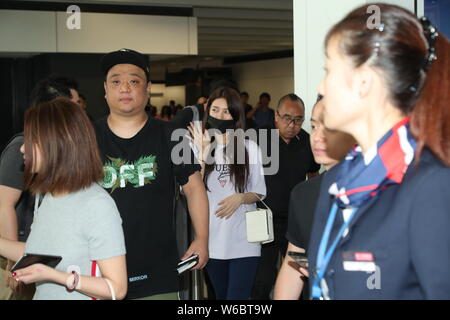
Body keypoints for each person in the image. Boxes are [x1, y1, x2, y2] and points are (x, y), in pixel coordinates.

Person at [308, 4, 450, 299]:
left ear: (364, 82)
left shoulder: (431, 186)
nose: (321, 86)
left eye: (329, 70)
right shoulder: (337, 184)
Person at [95, 48, 209, 300]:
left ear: (147, 89)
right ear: (105, 90)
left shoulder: (172, 136)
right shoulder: (86, 138)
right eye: (116, 81)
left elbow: (194, 187)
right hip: (96, 272)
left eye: (134, 81)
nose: (125, 88)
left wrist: (202, 239)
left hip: (157, 272)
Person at [0, 98, 127, 300]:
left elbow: (116, 289)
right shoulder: (47, 195)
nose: (23, 149)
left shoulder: (96, 204)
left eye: (31, 140)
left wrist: (54, 275)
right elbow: (36, 250)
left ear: (56, 144)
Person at [187, 87, 266, 300]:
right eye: (215, 110)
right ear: (207, 111)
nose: (220, 116)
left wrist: (240, 198)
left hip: (245, 241)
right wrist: (203, 151)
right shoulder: (195, 147)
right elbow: (190, 190)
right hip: (211, 241)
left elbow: (259, 192)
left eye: (226, 111)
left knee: (237, 299)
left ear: (236, 115)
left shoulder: (250, 148)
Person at [273, 97, 356, 300]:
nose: (317, 136)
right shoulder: (303, 194)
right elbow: (293, 263)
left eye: (329, 128)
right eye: (313, 126)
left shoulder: (375, 190)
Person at [0, 77, 73, 300]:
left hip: (45, 255)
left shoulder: (63, 151)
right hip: (22, 254)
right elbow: (4, 205)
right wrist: (14, 265)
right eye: (70, 105)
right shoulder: (21, 149)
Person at [251, 93, 320, 300]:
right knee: (262, 278)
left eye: (298, 119)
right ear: (276, 116)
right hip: (263, 218)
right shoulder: (258, 138)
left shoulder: (307, 140)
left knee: (299, 277)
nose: (292, 124)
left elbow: (313, 176)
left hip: (295, 220)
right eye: (287, 118)